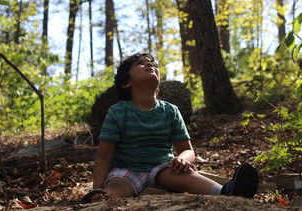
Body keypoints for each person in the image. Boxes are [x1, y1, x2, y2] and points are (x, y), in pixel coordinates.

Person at [81, 53, 259, 204]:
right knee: (116, 187)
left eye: (153, 63)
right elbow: (104, 155)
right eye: (140, 63)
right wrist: (97, 187)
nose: (150, 64)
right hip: (126, 170)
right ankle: (100, 199)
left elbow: (187, 150)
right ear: (127, 83)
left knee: (185, 174)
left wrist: (182, 159)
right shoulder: (118, 111)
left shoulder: (170, 110)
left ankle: (226, 192)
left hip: (162, 168)